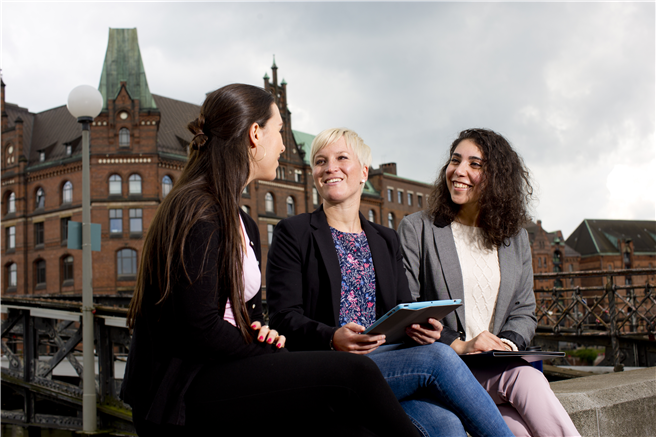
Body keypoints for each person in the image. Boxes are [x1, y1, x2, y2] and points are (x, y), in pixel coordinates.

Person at [120, 85, 423, 437]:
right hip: (183, 388)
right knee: (355, 374)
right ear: (254, 134)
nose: (282, 145)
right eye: (278, 132)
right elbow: (198, 326)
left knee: (344, 420)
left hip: (221, 371)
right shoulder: (198, 209)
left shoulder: (242, 220)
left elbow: (233, 313)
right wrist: (261, 346)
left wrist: (254, 329)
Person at [266, 128, 514, 437]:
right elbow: (281, 316)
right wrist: (332, 338)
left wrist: (423, 328)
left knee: (446, 424)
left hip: (387, 365)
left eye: (342, 158)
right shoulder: (293, 232)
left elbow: (400, 309)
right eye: (320, 161)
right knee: (440, 356)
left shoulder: (385, 239)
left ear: (363, 172)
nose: (330, 168)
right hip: (329, 366)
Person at [399, 128, 580, 437]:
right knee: (528, 383)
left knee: (520, 427)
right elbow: (407, 307)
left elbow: (524, 311)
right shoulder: (418, 228)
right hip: (445, 368)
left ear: (497, 177)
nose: (459, 171)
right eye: (455, 160)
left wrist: (504, 345)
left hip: (493, 369)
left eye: (474, 164)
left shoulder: (515, 237)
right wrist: (461, 345)